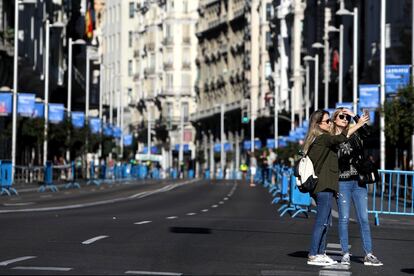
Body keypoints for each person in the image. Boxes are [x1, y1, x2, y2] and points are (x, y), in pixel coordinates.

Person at [304, 109, 369, 266]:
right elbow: (341, 137)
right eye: (327, 121)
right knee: (321, 222)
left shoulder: (319, 138)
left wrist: (357, 121)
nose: (330, 123)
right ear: (319, 124)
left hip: (326, 185)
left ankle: (319, 252)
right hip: (323, 185)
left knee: (326, 221)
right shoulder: (323, 138)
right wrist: (358, 123)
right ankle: (314, 254)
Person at [331, 108, 383, 266]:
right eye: (341, 116)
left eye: (346, 117)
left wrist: (355, 116)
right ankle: (345, 253)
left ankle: (369, 254)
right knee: (344, 219)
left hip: (359, 181)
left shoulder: (355, 133)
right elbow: (340, 140)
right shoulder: (331, 137)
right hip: (342, 182)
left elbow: (368, 131)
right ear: (334, 119)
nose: (345, 119)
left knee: (364, 219)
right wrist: (356, 124)